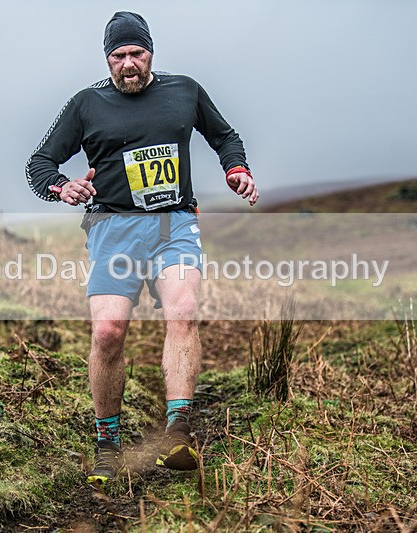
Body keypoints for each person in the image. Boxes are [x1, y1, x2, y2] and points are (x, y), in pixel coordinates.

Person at [26, 11, 258, 484]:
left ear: (150, 52)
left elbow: (225, 136)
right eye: (118, 56)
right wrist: (61, 186)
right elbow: (39, 163)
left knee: (184, 311)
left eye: (137, 53)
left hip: (174, 223)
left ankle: (178, 430)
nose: (128, 64)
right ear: (107, 59)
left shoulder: (185, 91)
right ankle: (107, 442)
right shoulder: (87, 104)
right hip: (113, 227)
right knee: (109, 332)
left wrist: (236, 168)